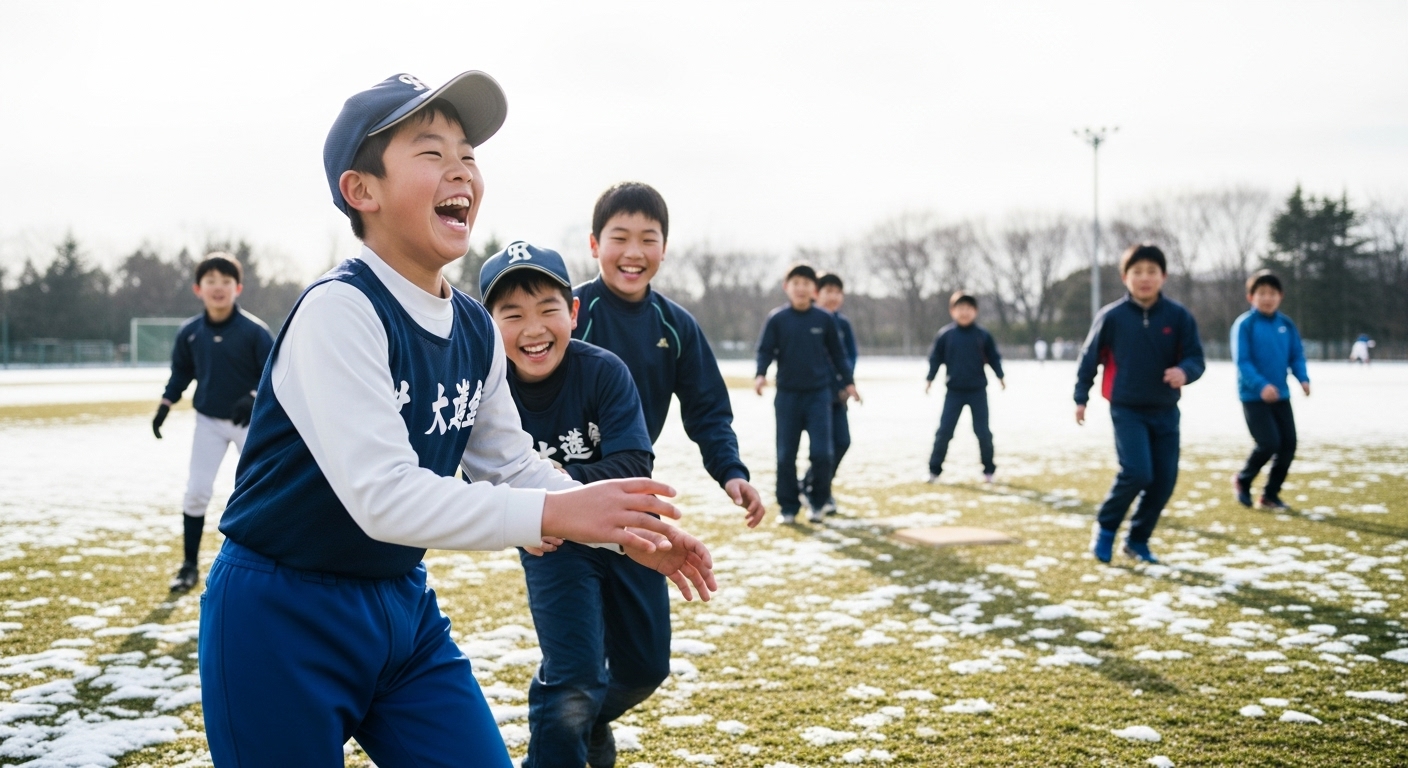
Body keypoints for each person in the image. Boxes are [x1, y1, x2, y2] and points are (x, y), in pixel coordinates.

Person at [197, 72, 714, 767]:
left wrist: (626, 532)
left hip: (402, 611)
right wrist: (557, 517)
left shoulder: (474, 325)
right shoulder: (340, 310)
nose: (462, 170)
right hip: (280, 616)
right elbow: (386, 498)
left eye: (468, 154)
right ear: (362, 191)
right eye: (432, 152)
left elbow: (513, 463)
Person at [480, 241, 704, 768]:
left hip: (629, 535)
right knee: (575, 678)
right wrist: (543, 508)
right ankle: (567, 725)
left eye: (547, 310)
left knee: (645, 668)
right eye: (512, 315)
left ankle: (587, 722)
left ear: (573, 313)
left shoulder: (604, 371)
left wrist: (555, 480)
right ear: (487, 326)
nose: (533, 329)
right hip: (551, 541)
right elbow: (484, 480)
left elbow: (631, 467)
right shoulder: (489, 391)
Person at [572, 182, 766, 528]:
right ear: (594, 244)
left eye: (648, 239)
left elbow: (708, 410)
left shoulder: (675, 325)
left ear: (664, 249)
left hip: (634, 486)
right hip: (566, 491)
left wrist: (731, 471)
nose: (634, 252)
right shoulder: (569, 314)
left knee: (646, 581)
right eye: (619, 238)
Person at [1075, 244, 1205, 565]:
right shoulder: (1112, 317)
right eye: (1137, 272)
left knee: (1163, 482)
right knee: (1136, 472)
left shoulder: (1178, 316)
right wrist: (1081, 397)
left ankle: (1137, 540)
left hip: (1165, 410)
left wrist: (1184, 371)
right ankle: (1105, 529)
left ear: (1163, 276)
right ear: (1124, 277)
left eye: (1151, 272)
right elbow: (1089, 359)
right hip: (1126, 408)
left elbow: (1196, 358)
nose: (1144, 278)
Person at [152, 252, 273, 593]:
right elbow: (181, 373)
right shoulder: (190, 332)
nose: (218, 288)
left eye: (225, 282)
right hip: (208, 421)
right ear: (197, 288)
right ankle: (189, 565)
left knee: (260, 492)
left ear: (238, 288)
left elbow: (276, 373)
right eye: (210, 282)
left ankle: (265, 565)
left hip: (249, 422)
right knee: (196, 492)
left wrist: (252, 397)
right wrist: (165, 404)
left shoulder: (254, 331)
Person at [754, 263, 858, 524]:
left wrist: (849, 383)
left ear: (814, 289)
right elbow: (765, 349)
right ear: (786, 287)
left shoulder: (824, 319)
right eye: (796, 283)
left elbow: (838, 354)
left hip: (818, 396)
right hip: (787, 396)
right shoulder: (777, 319)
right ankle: (788, 507)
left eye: (806, 284)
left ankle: (818, 502)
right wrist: (760, 374)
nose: (801, 288)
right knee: (785, 455)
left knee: (823, 453)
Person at [1231, 270, 1310, 510]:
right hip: (1253, 396)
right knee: (1268, 443)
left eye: (1272, 293)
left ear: (1280, 296)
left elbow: (1296, 355)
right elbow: (1242, 361)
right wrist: (1261, 385)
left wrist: (1302, 378)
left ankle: (1269, 495)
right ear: (1251, 297)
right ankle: (1243, 480)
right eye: (1262, 293)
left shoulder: (1286, 324)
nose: (1267, 298)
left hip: (1281, 395)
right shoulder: (1245, 324)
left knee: (1288, 445)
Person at [924, 291, 1004, 484]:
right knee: (944, 431)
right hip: (954, 391)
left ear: (975, 311)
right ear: (952, 311)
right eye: (960, 308)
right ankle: (934, 471)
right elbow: (935, 358)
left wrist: (1000, 376)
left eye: (968, 308)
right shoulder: (946, 335)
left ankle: (989, 471)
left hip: (977, 391)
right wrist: (930, 378)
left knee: (983, 432)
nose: (964, 312)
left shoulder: (982, 335)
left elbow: (993, 357)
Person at [803, 272, 860, 515]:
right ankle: (819, 494)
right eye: (828, 291)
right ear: (816, 293)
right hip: (814, 395)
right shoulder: (808, 320)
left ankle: (815, 487)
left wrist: (846, 384)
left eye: (838, 291)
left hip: (838, 395)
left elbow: (849, 357)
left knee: (842, 442)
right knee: (822, 449)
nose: (833, 296)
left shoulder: (843, 324)